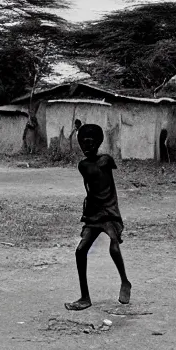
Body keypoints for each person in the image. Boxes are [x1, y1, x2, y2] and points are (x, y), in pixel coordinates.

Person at [65, 124, 133, 310]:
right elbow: (93, 173)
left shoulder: (106, 160)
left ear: (98, 143)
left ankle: (125, 282)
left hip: (109, 210)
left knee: (113, 244)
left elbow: (106, 165)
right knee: (80, 251)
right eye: (83, 143)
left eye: (90, 142)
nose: (86, 147)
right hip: (94, 212)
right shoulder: (84, 165)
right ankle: (84, 297)